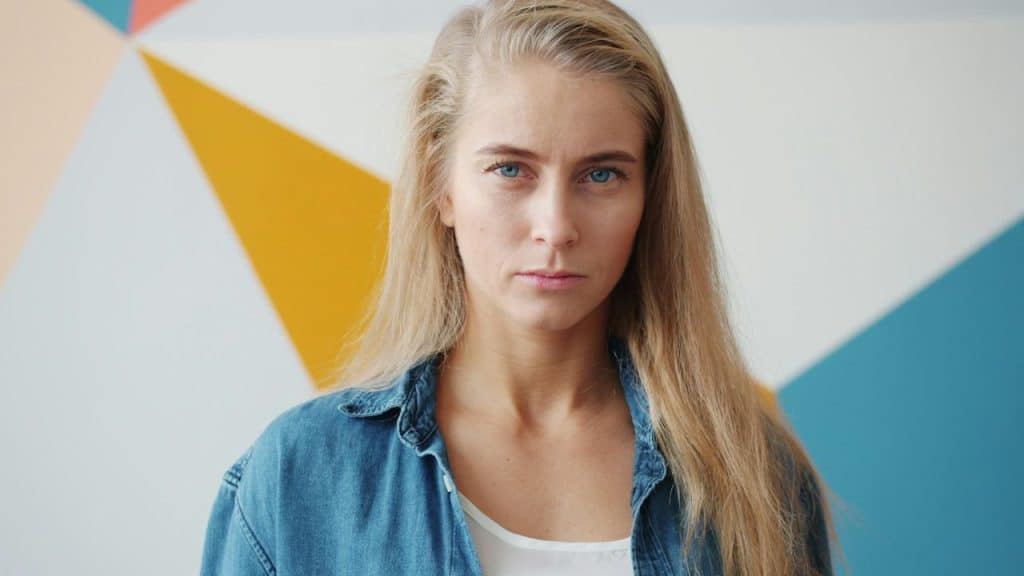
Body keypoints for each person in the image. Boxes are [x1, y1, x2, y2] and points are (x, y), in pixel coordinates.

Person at [200, 1, 842, 574]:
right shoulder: (300, 477)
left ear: (651, 195)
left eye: (601, 176)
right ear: (440, 186)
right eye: (511, 169)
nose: (556, 227)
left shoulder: (755, 480)